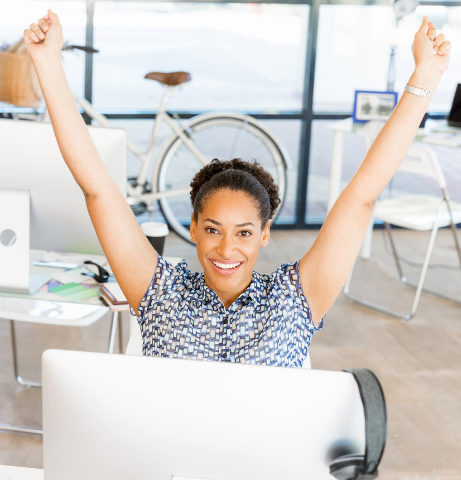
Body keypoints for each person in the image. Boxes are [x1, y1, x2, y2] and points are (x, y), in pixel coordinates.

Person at [24, 13, 451, 367]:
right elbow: (97, 188)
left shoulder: (294, 300)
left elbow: (362, 199)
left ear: (264, 234)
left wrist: (425, 77)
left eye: (244, 232)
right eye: (213, 229)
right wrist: (46, 63)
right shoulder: (159, 291)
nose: (226, 249)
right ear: (192, 228)